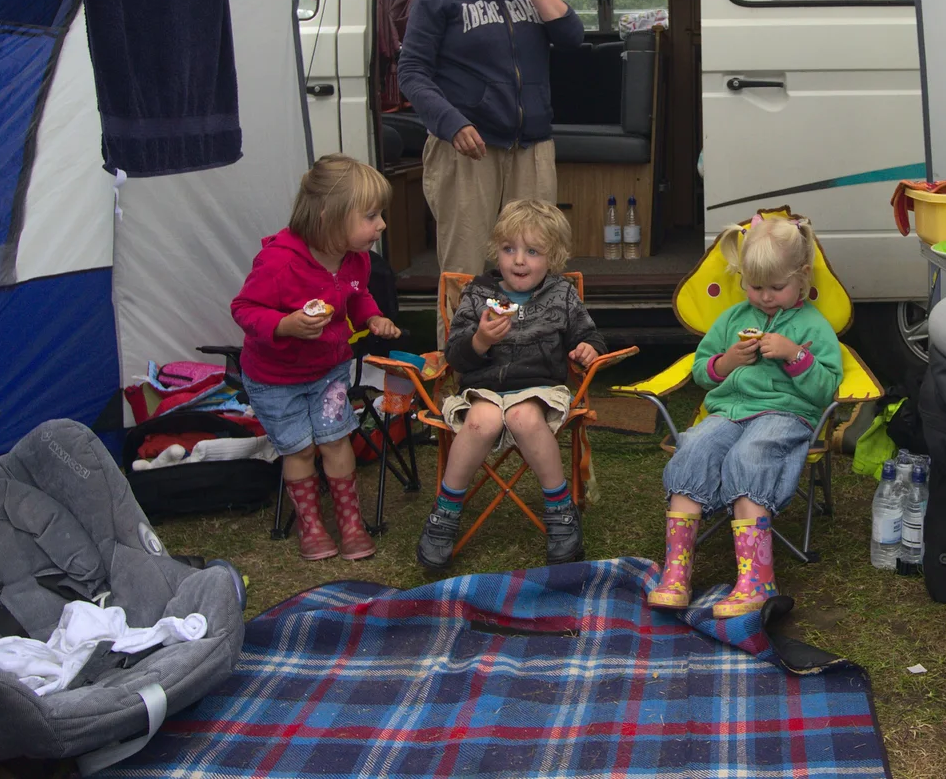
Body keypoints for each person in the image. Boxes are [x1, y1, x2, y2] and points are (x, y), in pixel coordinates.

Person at [647, 215, 842, 618]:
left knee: (750, 456)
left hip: (786, 414)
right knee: (694, 447)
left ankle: (757, 579)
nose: (765, 298)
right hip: (730, 412)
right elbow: (702, 371)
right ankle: (677, 572)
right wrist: (727, 361)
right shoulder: (733, 320)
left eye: (777, 287)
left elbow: (826, 389)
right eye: (755, 287)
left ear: (802, 278)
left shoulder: (812, 326)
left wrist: (795, 355)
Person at [398, 0, 586, 276]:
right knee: (465, 266)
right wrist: (452, 123)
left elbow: (571, 36)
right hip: (468, 147)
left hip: (531, 145)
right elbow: (412, 71)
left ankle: (533, 338)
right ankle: (461, 339)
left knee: (534, 261)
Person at [231, 154, 403, 562]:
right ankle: (311, 527)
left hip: (328, 372)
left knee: (335, 440)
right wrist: (284, 325)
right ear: (330, 215)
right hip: (275, 379)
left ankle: (350, 524)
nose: (380, 225)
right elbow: (244, 308)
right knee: (300, 450)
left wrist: (373, 317)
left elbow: (358, 295)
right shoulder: (279, 262)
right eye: (371, 216)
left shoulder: (354, 258)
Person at [417, 199, 606, 569]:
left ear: (553, 257)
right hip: (483, 388)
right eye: (509, 249)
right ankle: (445, 513)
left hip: (539, 389)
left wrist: (586, 348)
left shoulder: (561, 294)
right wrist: (481, 340)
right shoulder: (477, 293)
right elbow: (455, 355)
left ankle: (560, 510)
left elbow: (589, 336)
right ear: (496, 251)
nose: (519, 260)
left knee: (523, 417)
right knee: (481, 420)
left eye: (532, 251)